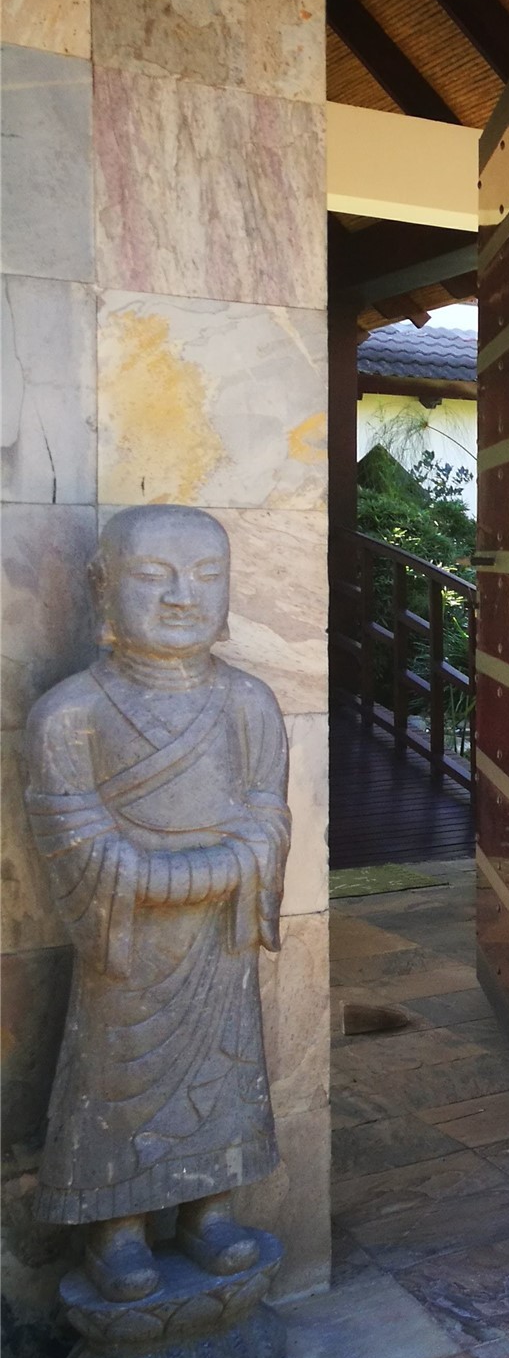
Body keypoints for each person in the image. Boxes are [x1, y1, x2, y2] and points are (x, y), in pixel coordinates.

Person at [25, 506, 288, 1302]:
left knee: (226, 1063)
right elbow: (73, 837)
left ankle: (211, 1212)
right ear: (103, 588)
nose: (183, 596)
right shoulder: (71, 712)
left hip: (218, 941)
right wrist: (168, 875)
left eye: (207, 577)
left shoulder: (249, 703)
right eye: (154, 576)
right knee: (114, 1076)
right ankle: (117, 1231)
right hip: (127, 947)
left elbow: (267, 815)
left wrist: (228, 863)